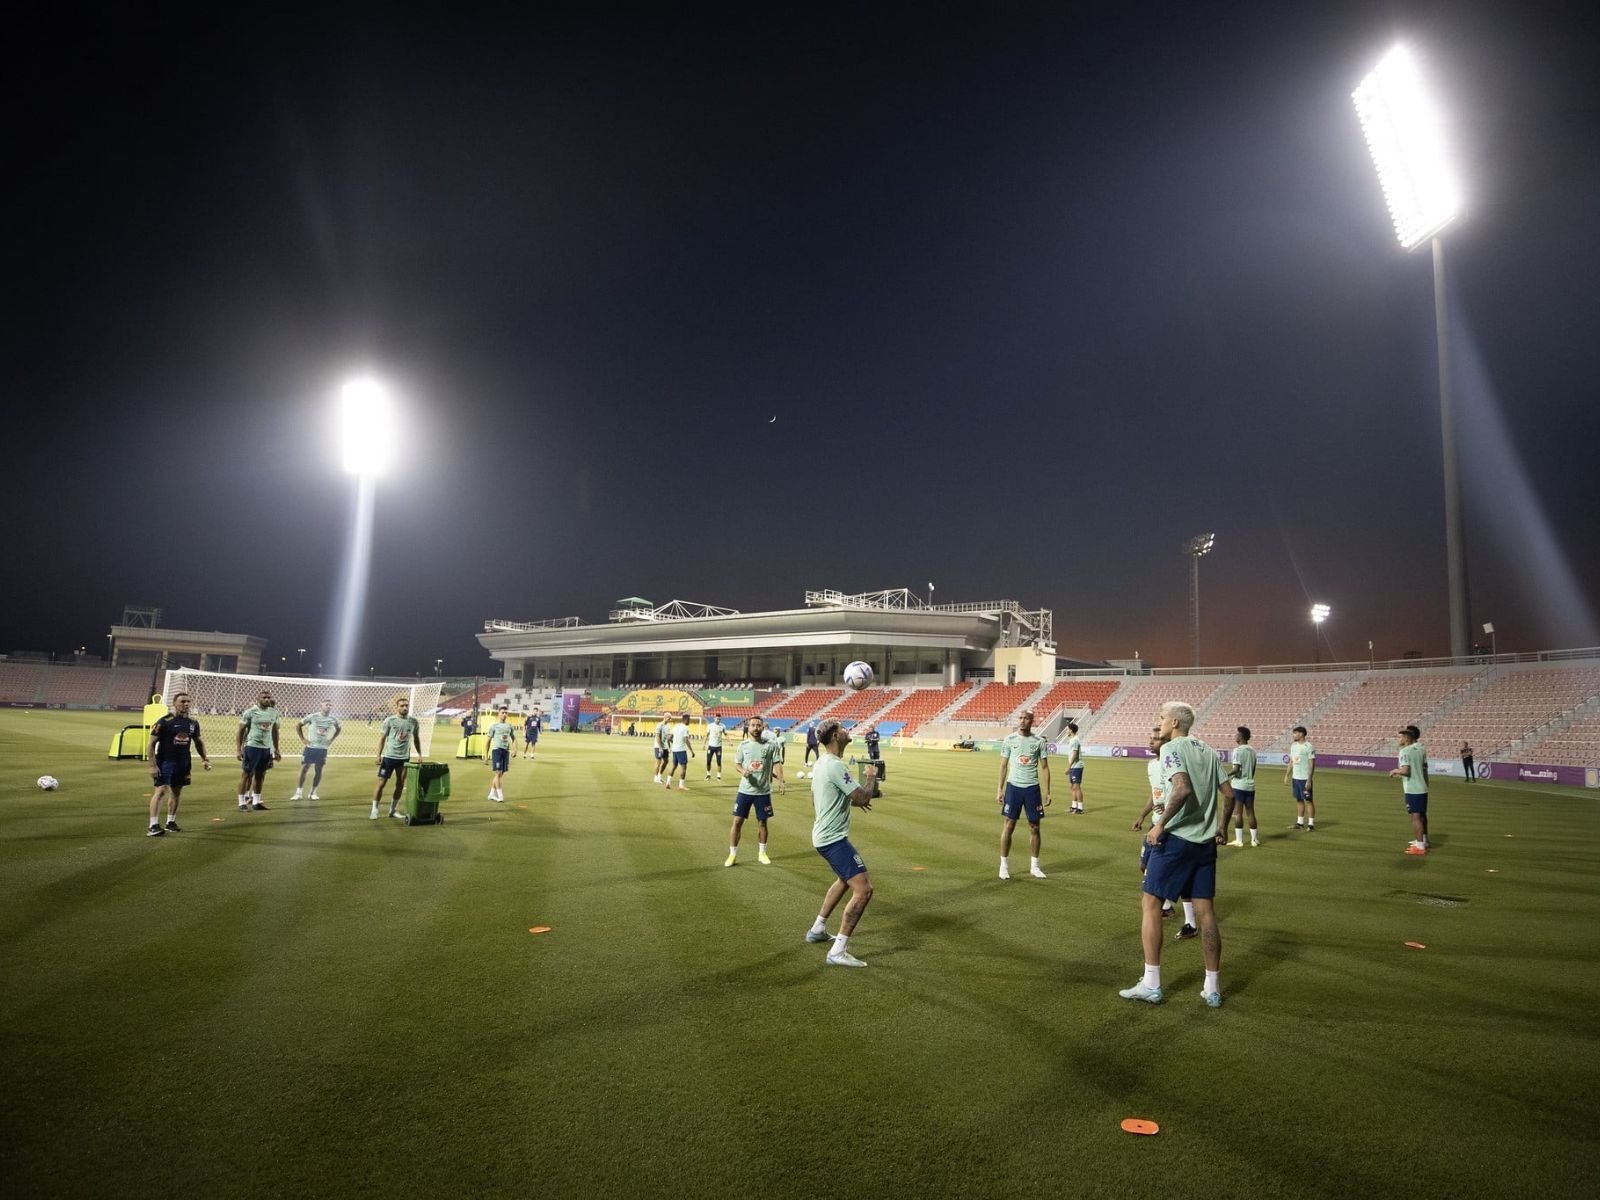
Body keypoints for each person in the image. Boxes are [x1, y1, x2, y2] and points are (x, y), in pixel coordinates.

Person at [1121, 701, 1231, 1008]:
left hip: (1177, 840)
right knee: (1206, 914)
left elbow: (1180, 789)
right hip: (1205, 844)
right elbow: (1229, 794)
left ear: (1174, 723)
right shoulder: (1209, 751)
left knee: (1151, 904)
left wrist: (1160, 825)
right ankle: (1212, 988)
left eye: (1162, 719)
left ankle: (1152, 983)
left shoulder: (1171, 749)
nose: (1161, 723)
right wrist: (1221, 827)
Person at [803, 719, 878, 968]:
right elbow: (862, 796)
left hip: (824, 835)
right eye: (844, 729)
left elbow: (816, 799)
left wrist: (851, 800)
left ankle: (817, 929)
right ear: (836, 735)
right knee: (864, 889)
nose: (848, 731)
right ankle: (838, 950)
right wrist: (870, 778)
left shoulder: (823, 762)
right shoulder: (834, 765)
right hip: (832, 839)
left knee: (845, 881)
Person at [1132, 724, 1181, 923]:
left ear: (1166, 742)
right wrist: (1142, 815)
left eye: (1155, 739)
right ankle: (1163, 901)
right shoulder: (1152, 765)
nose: (1150, 742)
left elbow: (1180, 793)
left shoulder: (1174, 766)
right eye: (1150, 738)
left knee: (1156, 867)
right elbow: (1155, 795)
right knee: (1144, 865)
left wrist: (1166, 812)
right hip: (1154, 823)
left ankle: (1166, 905)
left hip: (1167, 825)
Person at [995, 708, 1050, 880]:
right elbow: (1003, 766)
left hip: (1032, 788)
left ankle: (1035, 866)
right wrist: (999, 789)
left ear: (1032, 721)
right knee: (1009, 825)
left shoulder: (1039, 741)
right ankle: (1003, 866)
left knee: (1034, 827)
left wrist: (1048, 791)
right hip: (1013, 787)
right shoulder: (1009, 739)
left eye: (1026, 718)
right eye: (1020, 717)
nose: (1022, 720)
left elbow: (1045, 767)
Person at [146, 691, 211, 835]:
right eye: (182, 702)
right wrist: (152, 765)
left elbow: (198, 742)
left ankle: (171, 822)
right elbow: (150, 744)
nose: (186, 704)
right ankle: (153, 825)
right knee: (161, 790)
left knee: (177, 792)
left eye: (188, 701)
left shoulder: (193, 723)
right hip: (165, 761)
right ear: (175, 704)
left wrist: (204, 758)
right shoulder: (163, 721)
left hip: (183, 762)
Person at [727, 715, 782, 866]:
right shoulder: (743, 745)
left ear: (763, 727)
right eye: (753, 725)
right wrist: (743, 771)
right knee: (737, 822)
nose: (756, 728)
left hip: (763, 792)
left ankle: (762, 853)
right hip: (744, 791)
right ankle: (732, 855)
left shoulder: (771, 745)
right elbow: (737, 764)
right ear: (749, 727)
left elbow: (777, 763)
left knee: (763, 823)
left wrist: (781, 781)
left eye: (758, 725)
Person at [371, 696, 422, 820]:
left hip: (404, 758)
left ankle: (393, 810)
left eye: (406, 706)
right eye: (402, 706)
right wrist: (378, 755)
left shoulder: (413, 721)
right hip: (389, 757)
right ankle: (374, 809)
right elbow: (382, 738)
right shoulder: (390, 720)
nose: (405, 708)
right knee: (381, 783)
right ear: (397, 707)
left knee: (400, 784)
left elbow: (416, 739)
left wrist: (420, 754)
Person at [235, 689, 281, 811]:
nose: (266, 699)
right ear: (258, 699)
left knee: (260, 775)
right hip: (252, 747)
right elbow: (240, 731)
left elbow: (275, 731)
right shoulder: (250, 712)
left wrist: (276, 749)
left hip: (266, 748)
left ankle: (256, 802)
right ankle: (241, 803)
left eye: (268, 697)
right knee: (246, 774)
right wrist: (239, 749)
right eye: (264, 697)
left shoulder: (274, 713)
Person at [1391, 725, 1430, 855]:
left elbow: (1406, 771)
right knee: (1422, 815)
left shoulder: (1405, 751)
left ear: (1407, 738)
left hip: (1413, 788)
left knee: (1415, 817)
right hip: (1423, 786)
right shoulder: (1420, 748)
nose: (1398, 739)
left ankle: (1419, 847)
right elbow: (1424, 768)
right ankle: (1424, 840)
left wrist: (1395, 771)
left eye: (1400, 737)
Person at [292, 702, 342, 800]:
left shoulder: (333, 719)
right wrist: (302, 739)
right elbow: (298, 725)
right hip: (310, 747)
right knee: (304, 768)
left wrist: (332, 739)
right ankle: (298, 793)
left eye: (330, 705)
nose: (328, 706)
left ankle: (313, 793)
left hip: (322, 749)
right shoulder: (312, 716)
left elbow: (339, 728)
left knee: (318, 770)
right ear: (321, 706)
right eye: (326, 704)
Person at [1222, 726, 1259, 847]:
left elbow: (1236, 769)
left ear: (1241, 737)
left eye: (1236, 735)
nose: (1235, 736)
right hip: (1250, 785)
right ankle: (1254, 840)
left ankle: (1239, 841)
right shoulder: (1253, 751)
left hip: (1239, 785)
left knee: (1238, 813)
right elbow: (1252, 769)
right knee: (1251, 812)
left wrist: (1226, 775)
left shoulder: (1238, 750)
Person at [483, 705, 517, 802]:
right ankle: (500, 795)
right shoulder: (494, 726)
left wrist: (515, 750)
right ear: (499, 714)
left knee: (501, 773)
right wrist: (486, 756)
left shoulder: (509, 726)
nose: (504, 714)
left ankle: (491, 794)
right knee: (498, 773)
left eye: (506, 713)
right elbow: (488, 741)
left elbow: (514, 738)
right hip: (497, 750)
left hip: (505, 751)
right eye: (502, 712)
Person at [1285, 725, 1316, 830]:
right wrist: (1287, 775)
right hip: (1296, 778)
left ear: (1301, 734)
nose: (1293, 735)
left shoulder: (1309, 746)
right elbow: (1292, 761)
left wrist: (1309, 780)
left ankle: (1311, 824)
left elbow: (1312, 764)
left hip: (1304, 780)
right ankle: (1300, 823)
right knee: (1298, 799)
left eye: (1295, 733)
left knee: (1308, 800)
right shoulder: (1293, 746)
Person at [664, 712, 693, 790]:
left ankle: (668, 783)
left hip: (675, 750)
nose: (689, 721)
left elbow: (669, 738)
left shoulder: (676, 727)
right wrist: (692, 751)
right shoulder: (685, 728)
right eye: (689, 720)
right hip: (681, 750)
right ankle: (681, 785)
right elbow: (686, 740)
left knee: (674, 766)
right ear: (686, 720)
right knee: (683, 768)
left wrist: (671, 745)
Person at [1063, 721, 1085, 813]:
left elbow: (1075, 755)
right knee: (1072, 786)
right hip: (1074, 766)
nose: (1066, 731)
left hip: (1077, 766)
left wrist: (1069, 766)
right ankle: (1074, 806)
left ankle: (1080, 808)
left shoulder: (1075, 740)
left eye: (1067, 729)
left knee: (1076, 786)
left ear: (1071, 730)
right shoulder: (1073, 740)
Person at [652, 716, 671, 783]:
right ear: (665, 717)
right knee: (658, 762)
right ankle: (655, 778)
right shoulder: (659, 725)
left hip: (665, 747)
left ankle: (659, 776)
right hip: (658, 746)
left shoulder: (668, 726)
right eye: (669, 718)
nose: (670, 719)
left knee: (666, 761)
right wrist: (660, 747)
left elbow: (668, 738)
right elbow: (657, 736)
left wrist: (669, 747)